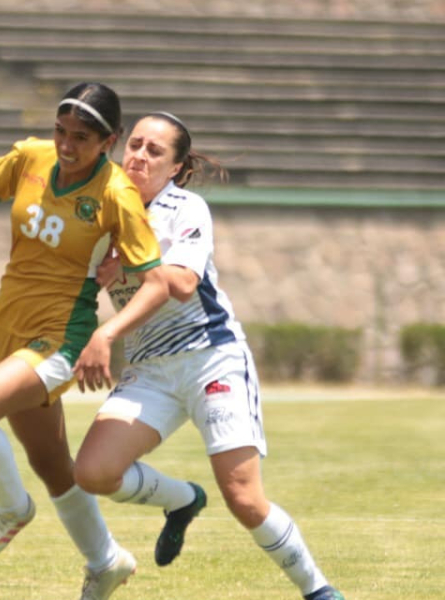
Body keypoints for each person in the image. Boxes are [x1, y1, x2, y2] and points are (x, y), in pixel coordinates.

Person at [0, 82, 173, 599]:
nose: (66, 146)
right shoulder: (30, 157)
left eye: (81, 138)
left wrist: (106, 336)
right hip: (11, 324)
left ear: (106, 142)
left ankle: (10, 509)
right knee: (50, 463)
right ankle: (105, 560)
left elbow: (156, 284)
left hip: (63, 338)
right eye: (60, 132)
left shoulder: (115, 194)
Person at [71, 113, 346, 600]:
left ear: (176, 168)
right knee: (92, 473)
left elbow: (180, 285)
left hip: (210, 360)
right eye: (134, 144)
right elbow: (79, 286)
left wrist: (127, 264)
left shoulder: (186, 208)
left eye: (155, 151)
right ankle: (183, 500)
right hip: (150, 370)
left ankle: (319, 591)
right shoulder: (101, 213)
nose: (139, 155)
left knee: (243, 498)